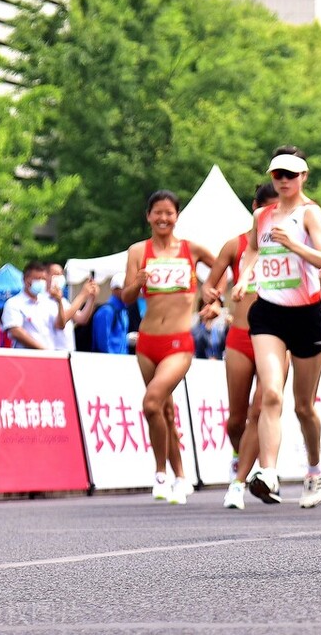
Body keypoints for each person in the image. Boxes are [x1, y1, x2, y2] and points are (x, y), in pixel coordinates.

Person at [233, 148, 321, 508]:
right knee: (271, 393)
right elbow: (251, 251)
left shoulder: (311, 213)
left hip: (306, 314)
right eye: (278, 175)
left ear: (303, 176)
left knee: (303, 406)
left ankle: (314, 467)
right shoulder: (261, 215)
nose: (284, 181)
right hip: (268, 313)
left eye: (291, 175)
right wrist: (243, 277)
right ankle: (269, 472)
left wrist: (294, 244)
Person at [120, 191, 217, 505]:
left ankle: (160, 475)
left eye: (169, 213)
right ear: (148, 216)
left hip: (179, 342)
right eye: (157, 213)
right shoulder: (138, 250)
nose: (163, 219)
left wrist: (214, 299)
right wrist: (137, 281)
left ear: (177, 216)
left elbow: (223, 269)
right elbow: (127, 297)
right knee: (164, 410)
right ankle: (181, 477)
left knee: (151, 404)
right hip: (147, 343)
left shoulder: (192, 250)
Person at [202, 182, 279, 510]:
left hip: (276, 337)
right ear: (255, 207)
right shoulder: (234, 246)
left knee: (259, 409)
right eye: (270, 209)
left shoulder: (286, 244)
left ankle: (240, 482)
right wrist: (211, 296)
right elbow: (210, 282)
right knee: (236, 419)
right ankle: (244, 460)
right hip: (239, 336)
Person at [1, 260, 65, 350]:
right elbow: (15, 331)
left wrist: (59, 302)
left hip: (50, 357)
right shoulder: (14, 303)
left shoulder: (48, 302)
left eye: (43, 279)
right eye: (37, 278)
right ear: (25, 279)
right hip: (27, 358)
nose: (41, 282)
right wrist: (43, 350)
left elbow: (60, 326)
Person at [47, 263, 97, 351]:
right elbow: (62, 321)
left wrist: (91, 298)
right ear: (46, 277)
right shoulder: (42, 300)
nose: (60, 277)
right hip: (54, 350)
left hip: (68, 350)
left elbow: (82, 319)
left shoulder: (63, 301)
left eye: (61, 274)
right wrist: (82, 295)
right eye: (56, 274)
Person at [91, 273, 131, 354]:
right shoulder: (106, 311)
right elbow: (103, 344)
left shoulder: (124, 311)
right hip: (109, 362)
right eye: (124, 288)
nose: (128, 291)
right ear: (115, 290)